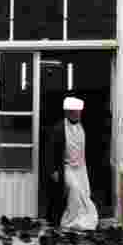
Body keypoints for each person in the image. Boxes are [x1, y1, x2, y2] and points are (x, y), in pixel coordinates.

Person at [41, 96, 99, 230]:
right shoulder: (58, 129)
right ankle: (70, 220)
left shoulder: (84, 127)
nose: (77, 114)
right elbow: (49, 151)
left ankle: (84, 218)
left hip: (81, 167)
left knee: (84, 193)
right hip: (66, 167)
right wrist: (53, 170)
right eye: (74, 112)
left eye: (79, 112)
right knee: (74, 190)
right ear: (68, 112)